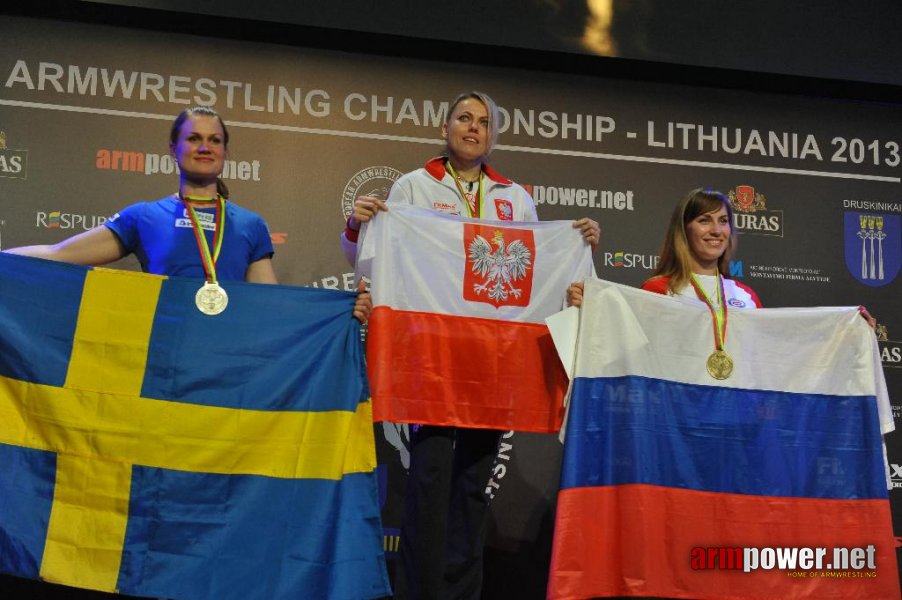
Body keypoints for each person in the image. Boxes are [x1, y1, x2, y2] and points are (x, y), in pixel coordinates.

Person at [341, 91, 599, 600]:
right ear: (446, 127)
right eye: (464, 118)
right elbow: (374, 259)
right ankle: (418, 592)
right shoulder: (415, 186)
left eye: (484, 122)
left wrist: (574, 243)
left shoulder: (515, 198)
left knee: (474, 484)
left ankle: (462, 594)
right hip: (433, 355)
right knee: (430, 477)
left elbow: (535, 269)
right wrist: (358, 224)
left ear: (492, 135)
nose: (473, 127)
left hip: (492, 359)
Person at [4, 106, 371, 322]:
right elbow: (59, 255)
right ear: (173, 148)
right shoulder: (144, 216)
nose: (205, 147)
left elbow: (270, 304)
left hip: (225, 359)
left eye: (214, 140)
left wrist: (339, 312)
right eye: (194, 138)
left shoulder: (249, 224)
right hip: (160, 353)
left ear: (225, 152)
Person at [566, 187, 876, 327]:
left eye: (723, 221)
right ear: (684, 230)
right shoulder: (659, 289)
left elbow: (772, 353)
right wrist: (590, 306)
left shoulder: (745, 296)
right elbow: (626, 346)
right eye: (704, 220)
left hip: (734, 422)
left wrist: (846, 329)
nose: (716, 231)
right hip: (678, 421)